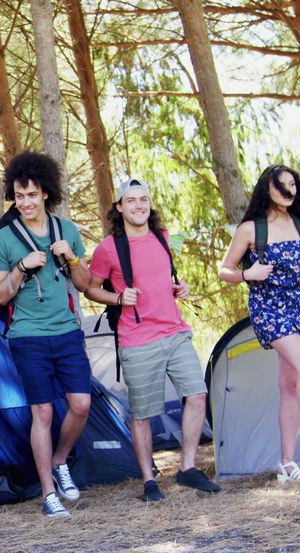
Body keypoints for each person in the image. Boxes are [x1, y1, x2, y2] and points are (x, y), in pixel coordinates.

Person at [84, 179, 221, 501]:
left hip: (175, 331)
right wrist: (118, 298)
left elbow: (163, 279)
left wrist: (180, 288)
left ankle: (187, 468)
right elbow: (90, 287)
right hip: (137, 339)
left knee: (197, 395)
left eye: (143, 199)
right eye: (131, 201)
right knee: (142, 413)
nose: (138, 205)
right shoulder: (108, 248)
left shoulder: (163, 237)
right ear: (119, 207)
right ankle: (149, 480)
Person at [217, 165, 300, 482]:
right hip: (267, 308)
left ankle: (287, 464)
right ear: (268, 189)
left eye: (293, 184)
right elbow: (224, 270)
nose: (289, 191)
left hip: (297, 307)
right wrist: (248, 274)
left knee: (290, 385)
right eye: (282, 186)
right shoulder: (251, 229)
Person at [0, 151, 92, 518]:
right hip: (27, 335)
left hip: (66, 330)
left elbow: (85, 284)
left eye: (32, 194)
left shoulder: (68, 231)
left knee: (81, 404)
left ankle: (60, 461)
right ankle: (48, 493)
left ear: (45, 193)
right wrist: (21, 267)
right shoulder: (3, 238)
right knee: (42, 412)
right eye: (19, 195)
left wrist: (73, 259)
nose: (26, 202)